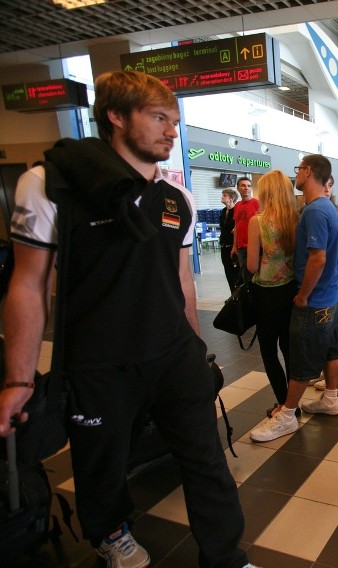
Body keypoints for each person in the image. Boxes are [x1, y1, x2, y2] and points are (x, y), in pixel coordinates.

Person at [0, 70, 256, 568]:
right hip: (98, 362)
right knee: (102, 465)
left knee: (206, 460)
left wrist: (195, 349)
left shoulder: (174, 198)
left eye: (175, 121)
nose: (172, 131)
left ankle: (225, 557)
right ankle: (110, 531)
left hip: (172, 355)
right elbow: (27, 286)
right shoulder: (50, 185)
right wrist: (18, 378)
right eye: (159, 118)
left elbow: (182, 282)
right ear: (116, 117)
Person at [249, 155, 338, 438]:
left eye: (299, 169)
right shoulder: (314, 211)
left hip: (307, 295)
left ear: (308, 172)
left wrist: (303, 295)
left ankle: (288, 413)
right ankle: (331, 397)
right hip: (327, 290)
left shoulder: (312, 212)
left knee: (301, 355)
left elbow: (317, 259)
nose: (297, 175)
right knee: (325, 345)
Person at [245, 170, 299, 439]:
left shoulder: (258, 222)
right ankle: (293, 404)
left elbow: (252, 265)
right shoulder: (296, 219)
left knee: (268, 349)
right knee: (289, 349)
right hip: (291, 290)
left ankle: (282, 405)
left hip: (266, 292)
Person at [313, 175, 338, 392]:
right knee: (329, 328)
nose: (327, 189)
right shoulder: (322, 210)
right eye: (324, 185)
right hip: (330, 278)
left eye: (329, 186)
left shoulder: (332, 212)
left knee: (335, 327)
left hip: (333, 279)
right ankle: (329, 372)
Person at [231, 176, 259, 285]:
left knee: (255, 277)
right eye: (243, 185)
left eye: (248, 186)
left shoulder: (257, 203)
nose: (246, 188)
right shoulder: (237, 205)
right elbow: (236, 226)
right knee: (245, 277)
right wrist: (234, 246)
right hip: (242, 247)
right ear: (238, 188)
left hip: (254, 246)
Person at [219, 188, 240, 292]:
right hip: (223, 245)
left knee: (235, 272)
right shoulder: (223, 211)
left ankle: (237, 294)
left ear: (231, 198)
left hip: (233, 245)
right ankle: (232, 294)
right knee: (227, 272)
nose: (222, 197)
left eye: (225, 196)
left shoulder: (236, 210)